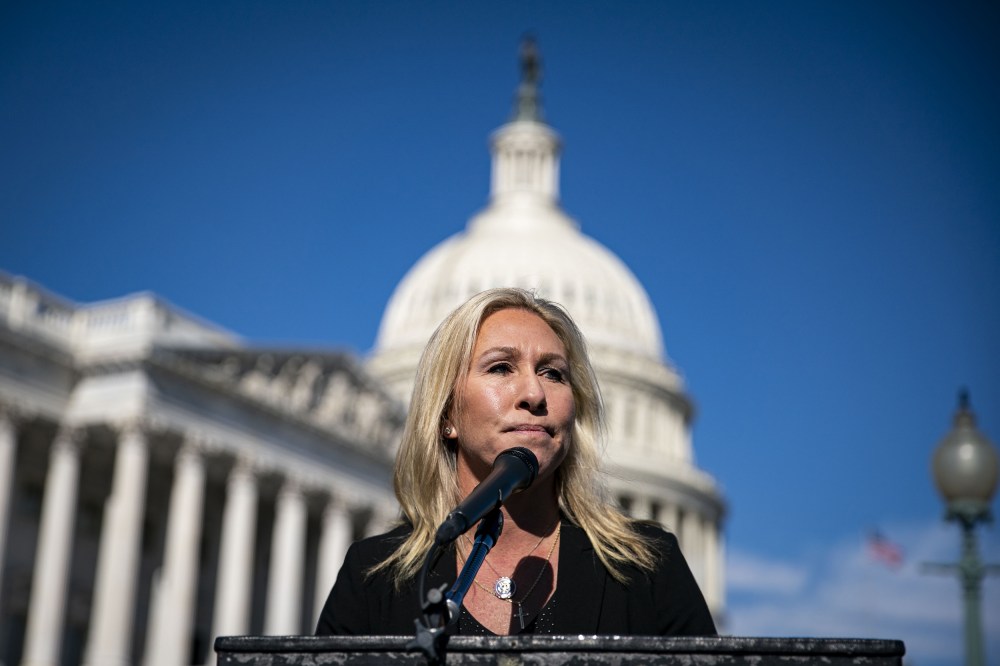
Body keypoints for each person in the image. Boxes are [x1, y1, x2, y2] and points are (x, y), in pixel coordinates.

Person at [315, 288, 716, 636]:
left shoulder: (646, 569)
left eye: (553, 373)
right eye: (501, 367)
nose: (534, 393)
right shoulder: (375, 578)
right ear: (446, 415)